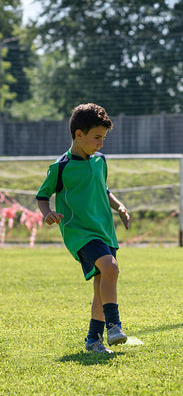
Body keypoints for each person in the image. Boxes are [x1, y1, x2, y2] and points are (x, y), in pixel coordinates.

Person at [36, 103, 131, 354]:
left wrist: (119, 207)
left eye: (103, 138)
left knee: (102, 281)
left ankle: (93, 340)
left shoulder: (100, 161)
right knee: (110, 267)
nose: (101, 144)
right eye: (96, 138)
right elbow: (42, 195)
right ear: (79, 134)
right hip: (79, 232)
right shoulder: (61, 167)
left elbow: (103, 189)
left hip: (104, 230)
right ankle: (114, 326)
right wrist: (48, 214)